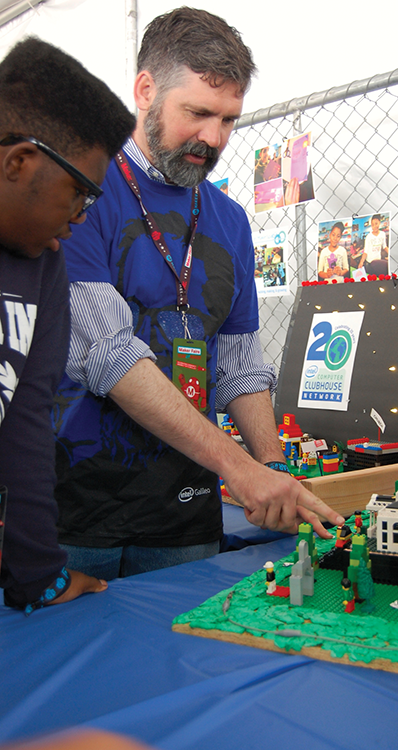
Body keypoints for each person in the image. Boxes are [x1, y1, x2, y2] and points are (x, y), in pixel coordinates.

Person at [53, 8, 345, 581]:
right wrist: (239, 467)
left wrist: (271, 465)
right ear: (145, 91)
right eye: (198, 113)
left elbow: (238, 366)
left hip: (184, 509)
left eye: (230, 120)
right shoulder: (82, 190)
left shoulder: (231, 221)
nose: (214, 139)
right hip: (75, 507)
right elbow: (108, 357)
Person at [0, 38, 136, 612]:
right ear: (18, 162)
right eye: (78, 194)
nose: (79, 219)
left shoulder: (44, 265)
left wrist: (39, 575)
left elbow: (27, 423)